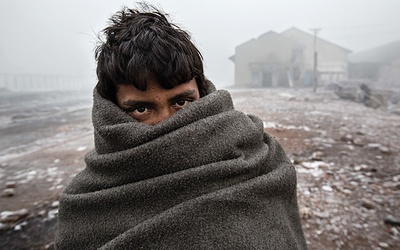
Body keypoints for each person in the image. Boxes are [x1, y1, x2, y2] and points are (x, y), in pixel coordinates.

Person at [55, 3, 307, 249]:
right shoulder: (87, 203)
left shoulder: (258, 160)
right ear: (111, 110)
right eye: (141, 109)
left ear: (202, 93)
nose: (168, 122)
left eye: (181, 102)